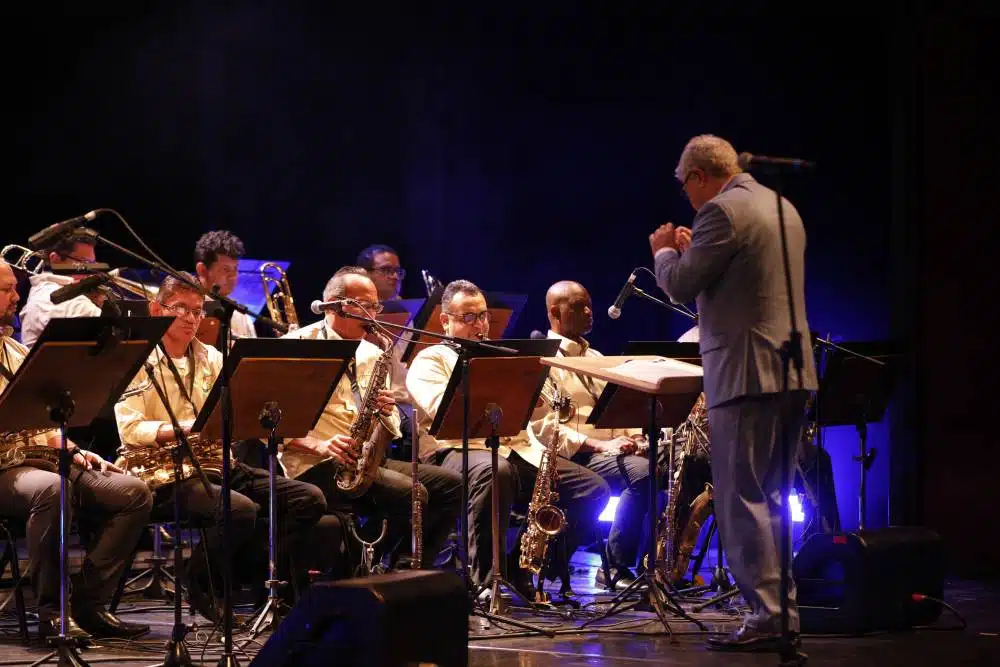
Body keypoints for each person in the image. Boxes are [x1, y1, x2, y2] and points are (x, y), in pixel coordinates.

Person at [651, 134, 818, 651]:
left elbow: (680, 286)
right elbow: (741, 278)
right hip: (793, 370)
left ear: (699, 176)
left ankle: (767, 616)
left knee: (742, 497)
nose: (688, 198)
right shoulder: (781, 206)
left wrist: (663, 254)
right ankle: (782, 610)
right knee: (772, 495)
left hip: (745, 373)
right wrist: (691, 250)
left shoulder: (721, 212)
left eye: (686, 187)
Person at [114, 274, 326, 620]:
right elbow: (130, 429)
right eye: (180, 308)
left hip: (214, 464)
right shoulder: (137, 359)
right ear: (156, 309)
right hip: (163, 473)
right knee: (238, 510)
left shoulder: (212, 357)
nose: (191, 318)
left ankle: (244, 576)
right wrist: (184, 428)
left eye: (197, 311)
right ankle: (201, 584)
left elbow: (242, 410)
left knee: (306, 500)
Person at [406, 279, 610, 593]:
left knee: (593, 489)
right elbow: (441, 411)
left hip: (518, 450)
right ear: (445, 321)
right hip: (456, 450)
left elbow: (535, 416)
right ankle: (487, 582)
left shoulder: (504, 354)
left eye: (484, 316)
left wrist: (531, 398)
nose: (480, 325)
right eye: (468, 318)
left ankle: (521, 567)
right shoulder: (430, 359)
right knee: (494, 471)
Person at [0, 260, 154, 641]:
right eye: (6, 289)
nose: (16, 296)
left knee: (132, 492)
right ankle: (53, 612)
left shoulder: (16, 351)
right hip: (4, 469)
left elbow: (44, 422)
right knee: (52, 489)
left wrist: (70, 449)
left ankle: (89, 602)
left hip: (38, 460)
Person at [281, 267, 461, 570]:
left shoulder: (372, 353)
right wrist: (321, 446)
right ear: (338, 305)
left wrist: (384, 412)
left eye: (376, 305)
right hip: (315, 465)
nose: (375, 314)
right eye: (367, 305)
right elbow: (270, 424)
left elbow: (388, 428)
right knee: (412, 493)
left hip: (363, 459)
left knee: (452, 485)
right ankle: (374, 564)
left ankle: (401, 567)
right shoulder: (294, 347)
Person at [528, 281, 650, 591]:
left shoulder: (595, 355)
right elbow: (544, 427)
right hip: (574, 458)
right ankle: (618, 565)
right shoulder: (543, 359)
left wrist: (635, 438)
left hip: (608, 452)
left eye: (589, 305)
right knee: (644, 474)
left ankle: (662, 564)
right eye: (578, 306)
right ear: (555, 312)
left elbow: (617, 408)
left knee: (678, 463)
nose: (588, 312)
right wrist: (599, 444)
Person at [19, 228, 103, 348]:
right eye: (83, 262)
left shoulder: (45, 289)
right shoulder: (56, 296)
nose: (90, 271)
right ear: (55, 259)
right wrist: (104, 305)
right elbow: (122, 334)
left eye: (92, 263)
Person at [194, 230, 257, 340]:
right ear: (202, 270)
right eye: (225, 269)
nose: (233, 276)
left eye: (235, 268)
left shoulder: (241, 315)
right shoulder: (188, 312)